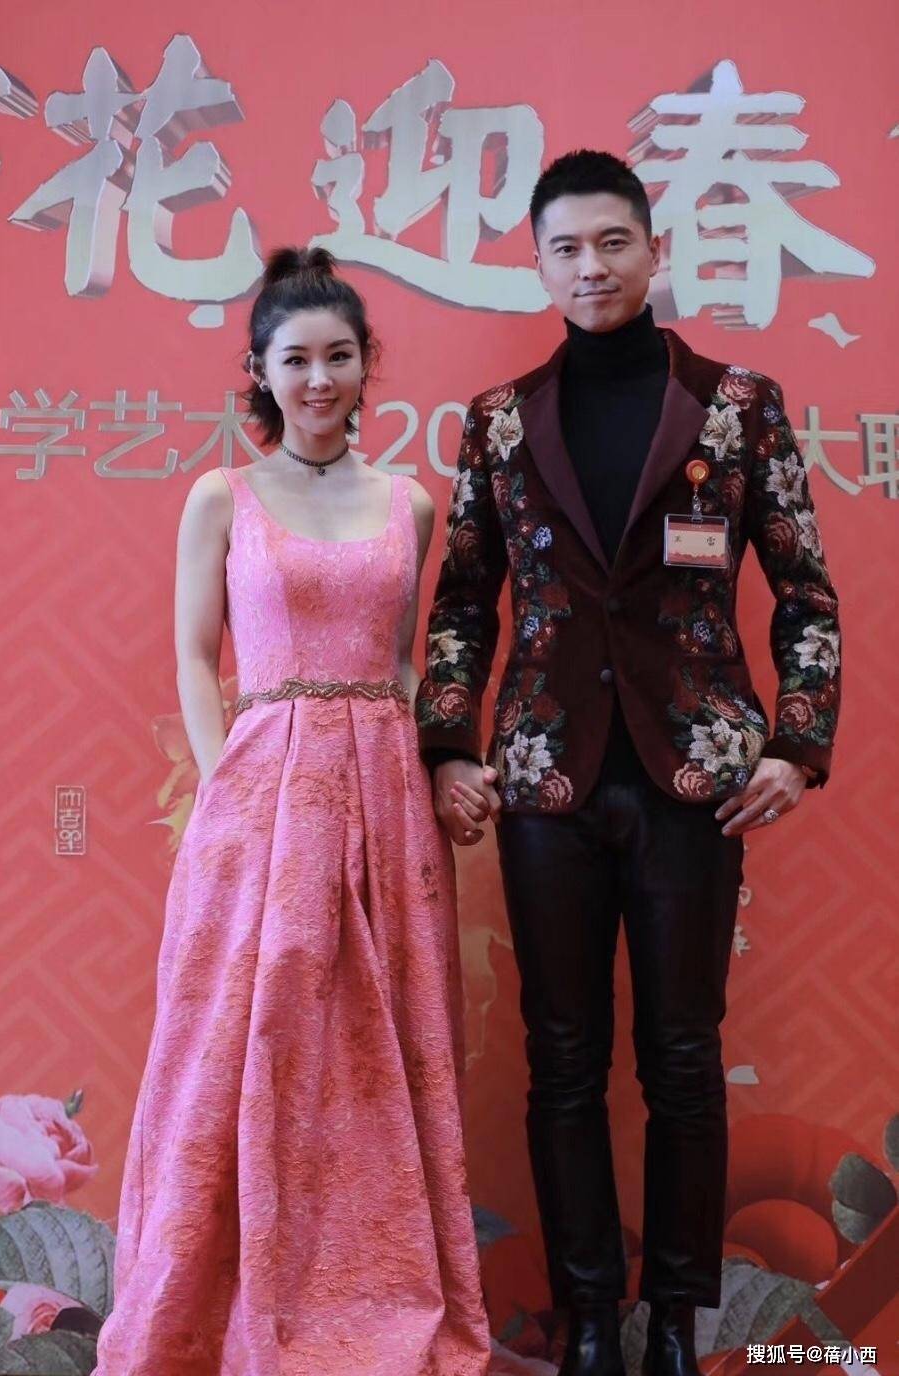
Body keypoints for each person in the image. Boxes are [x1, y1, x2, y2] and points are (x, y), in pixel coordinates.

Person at [416, 152, 841, 1376]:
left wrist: (796, 743)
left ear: (655, 250)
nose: (590, 266)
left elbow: (805, 591)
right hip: (543, 777)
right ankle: (592, 1318)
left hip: (696, 777)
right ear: (537, 262)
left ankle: (679, 1326)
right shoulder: (499, 419)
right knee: (561, 1059)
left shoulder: (738, 404)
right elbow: (462, 600)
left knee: (683, 1058)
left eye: (612, 242)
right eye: (565, 247)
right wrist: (448, 745)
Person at [94, 247, 491, 1376]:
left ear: (367, 367)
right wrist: (225, 778)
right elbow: (193, 653)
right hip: (261, 791)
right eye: (296, 359)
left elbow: (405, 664)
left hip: (387, 792)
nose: (319, 378)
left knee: (386, 1041)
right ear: (262, 373)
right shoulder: (222, 495)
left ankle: (370, 1298)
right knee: (246, 1032)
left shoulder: (411, 502)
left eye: (339, 356)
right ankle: (220, 1304)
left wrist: (438, 765)